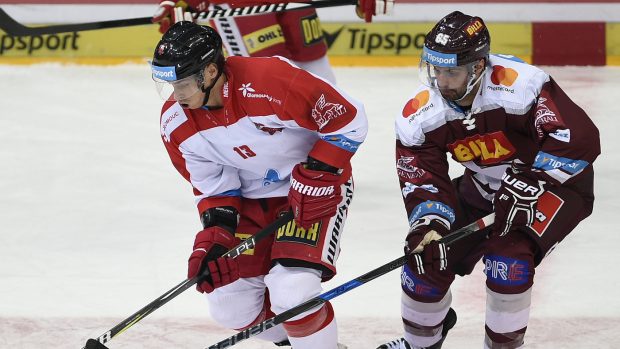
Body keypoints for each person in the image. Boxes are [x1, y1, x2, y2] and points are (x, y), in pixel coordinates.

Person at [377, 11, 600, 349]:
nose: (442, 81)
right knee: (425, 259)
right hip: (482, 188)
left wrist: (534, 179)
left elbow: (577, 137)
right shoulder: (420, 115)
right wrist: (429, 223)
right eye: (436, 70)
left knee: (507, 260)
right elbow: (422, 177)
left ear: (478, 66)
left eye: (451, 72)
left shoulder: (521, 86)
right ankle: (419, 343)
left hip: (553, 187)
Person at [150, 21, 367, 348]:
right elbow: (215, 189)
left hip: (311, 191)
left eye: (182, 84)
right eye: (168, 85)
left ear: (210, 72)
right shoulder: (177, 124)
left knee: (292, 291)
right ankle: (307, 341)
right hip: (251, 202)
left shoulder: (268, 81)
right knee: (230, 309)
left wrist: (317, 173)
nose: (175, 96)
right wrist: (215, 237)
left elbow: (348, 118)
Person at [151, 0, 394, 84]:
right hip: (243, 9)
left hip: (295, 8)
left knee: (321, 80)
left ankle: (328, 156)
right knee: (267, 79)